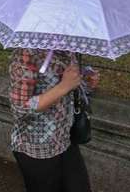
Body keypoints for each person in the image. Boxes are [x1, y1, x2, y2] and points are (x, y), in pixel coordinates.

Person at [8, 48, 99, 192]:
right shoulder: (26, 54)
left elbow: (71, 90)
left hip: (65, 140)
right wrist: (64, 86)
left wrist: (86, 83)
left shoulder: (68, 50)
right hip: (36, 148)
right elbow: (20, 109)